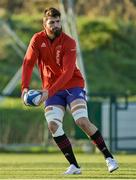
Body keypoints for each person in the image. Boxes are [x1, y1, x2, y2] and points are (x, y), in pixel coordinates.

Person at [21, 7, 119, 175]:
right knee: (53, 125)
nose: (56, 25)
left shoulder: (69, 42)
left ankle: (109, 158)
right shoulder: (37, 40)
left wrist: (47, 93)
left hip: (73, 85)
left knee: (81, 120)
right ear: (44, 24)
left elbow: (67, 74)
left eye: (58, 22)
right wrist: (24, 88)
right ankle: (74, 166)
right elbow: (28, 62)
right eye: (52, 22)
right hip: (52, 89)